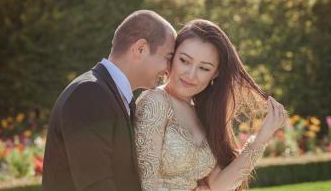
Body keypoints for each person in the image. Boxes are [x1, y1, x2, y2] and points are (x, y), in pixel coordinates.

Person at [134, 19, 287, 191]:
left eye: (204, 68)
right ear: (172, 57)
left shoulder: (202, 114)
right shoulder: (155, 103)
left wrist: (261, 139)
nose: (191, 75)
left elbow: (218, 186)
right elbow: (143, 184)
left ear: (216, 73)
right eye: (184, 60)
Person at [42, 10, 176, 191]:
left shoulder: (114, 96)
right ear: (140, 49)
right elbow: (96, 185)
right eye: (168, 57)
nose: (169, 70)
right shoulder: (89, 94)